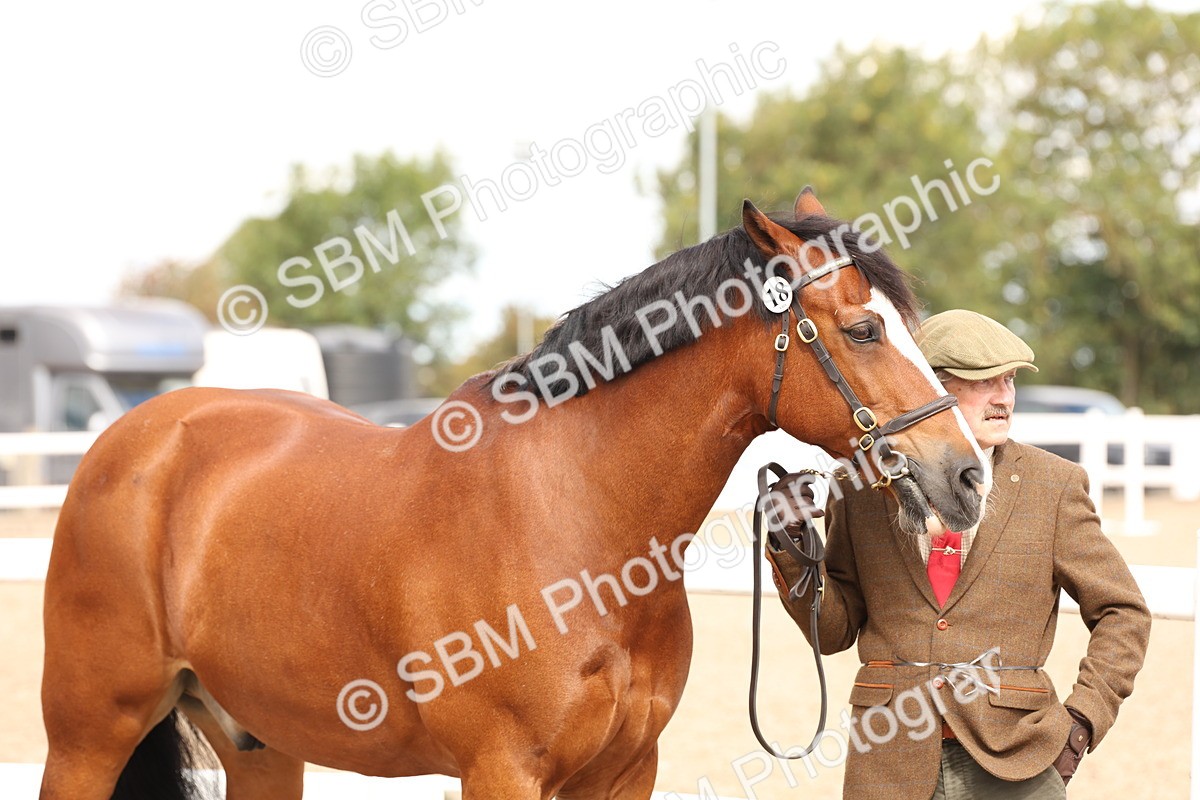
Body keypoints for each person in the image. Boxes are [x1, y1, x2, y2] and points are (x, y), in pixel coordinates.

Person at [765, 309, 1152, 799]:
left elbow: (1124, 611)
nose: (1003, 397)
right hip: (888, 763)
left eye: (1009, 380)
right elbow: (833, 631)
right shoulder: (858, 487)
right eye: (983, 381)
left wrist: (1082, 723)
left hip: (1018, 763)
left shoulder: (1054, 485)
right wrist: (793, 540)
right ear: (931, 387)